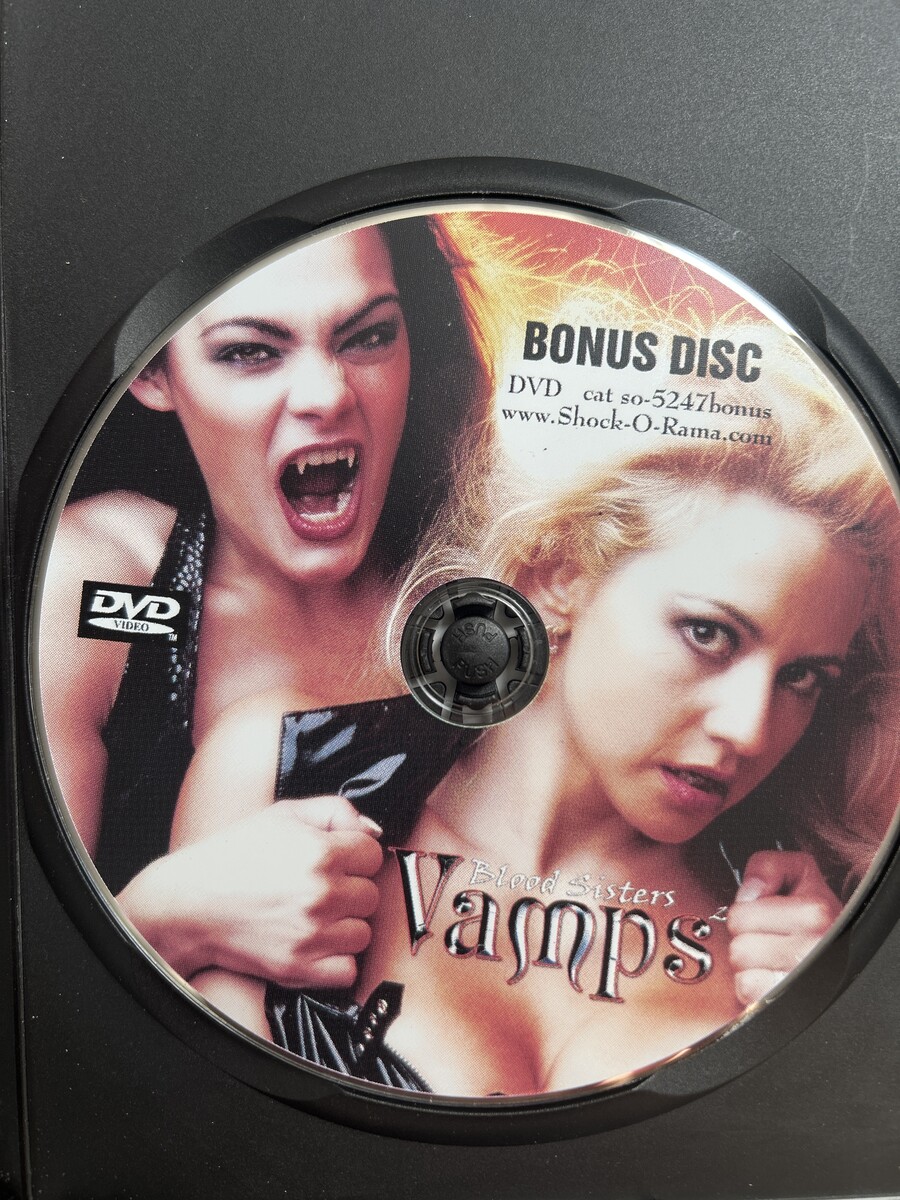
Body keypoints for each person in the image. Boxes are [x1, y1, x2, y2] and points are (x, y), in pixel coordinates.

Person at [168, 375, 900, 1095]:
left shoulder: (801, 929)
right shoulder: (287, 770)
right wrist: (163, 916)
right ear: (559, 575)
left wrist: (836, 1028)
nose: (749, 728)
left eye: (804, 677)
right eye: (708, 634)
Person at [38, 215, 490, 991]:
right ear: (153, 374)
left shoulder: (489, 608)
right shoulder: (98, 585)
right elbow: (31, 971)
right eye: (250, 351)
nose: (328, 393)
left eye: (368, 337)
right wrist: (165, 918)